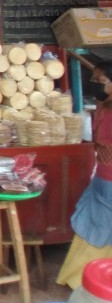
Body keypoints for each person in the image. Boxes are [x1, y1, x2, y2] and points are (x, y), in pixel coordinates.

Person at [57, 61, 112, 289]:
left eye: (101, 82)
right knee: (95, 227)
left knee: (102, 231)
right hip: (102, 176)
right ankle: (82, 280)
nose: (96, 86)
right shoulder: (103, 107)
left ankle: (94, 282)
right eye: (94, 81)